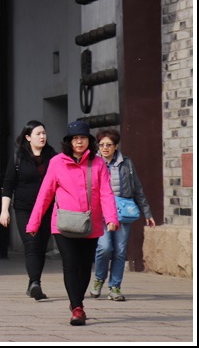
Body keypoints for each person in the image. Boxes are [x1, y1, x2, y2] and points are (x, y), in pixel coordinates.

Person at [26, 120, 118, 326]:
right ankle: (77, 307)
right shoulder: (57, 162)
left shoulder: (98, 163)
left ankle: (78, 300)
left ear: (88, 141)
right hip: (63, 224)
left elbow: (106, 192)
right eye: (75, 138)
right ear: (68, 141)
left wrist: (111, 218)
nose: (79, 142)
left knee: (85, 266)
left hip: (90, 223)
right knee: (70, 264)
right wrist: (34, 223)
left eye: (83, 138)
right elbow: (45, 194)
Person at [90, 128, 156, 301]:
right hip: (101, 212)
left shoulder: (126, 163)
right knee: (104, 248)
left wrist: (147, 212)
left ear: (116, 146)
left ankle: (115, 287)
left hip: (123, 211)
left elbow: (138, 189)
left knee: (120, 251)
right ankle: (98, 279)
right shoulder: (93, 162)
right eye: (102, 144)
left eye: (109, 145)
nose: (105, 148)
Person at [0, 120, 58, 300]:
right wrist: (4, 210)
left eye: (44, 133)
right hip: (24, 208)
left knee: (40, 246)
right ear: (28, 137)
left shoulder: (53, 156)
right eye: (38, 134)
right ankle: (35, 283)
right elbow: (8, 185)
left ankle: (33, 282)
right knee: (31, 244)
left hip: (47, 209)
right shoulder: (19, 157)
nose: (42, 137)